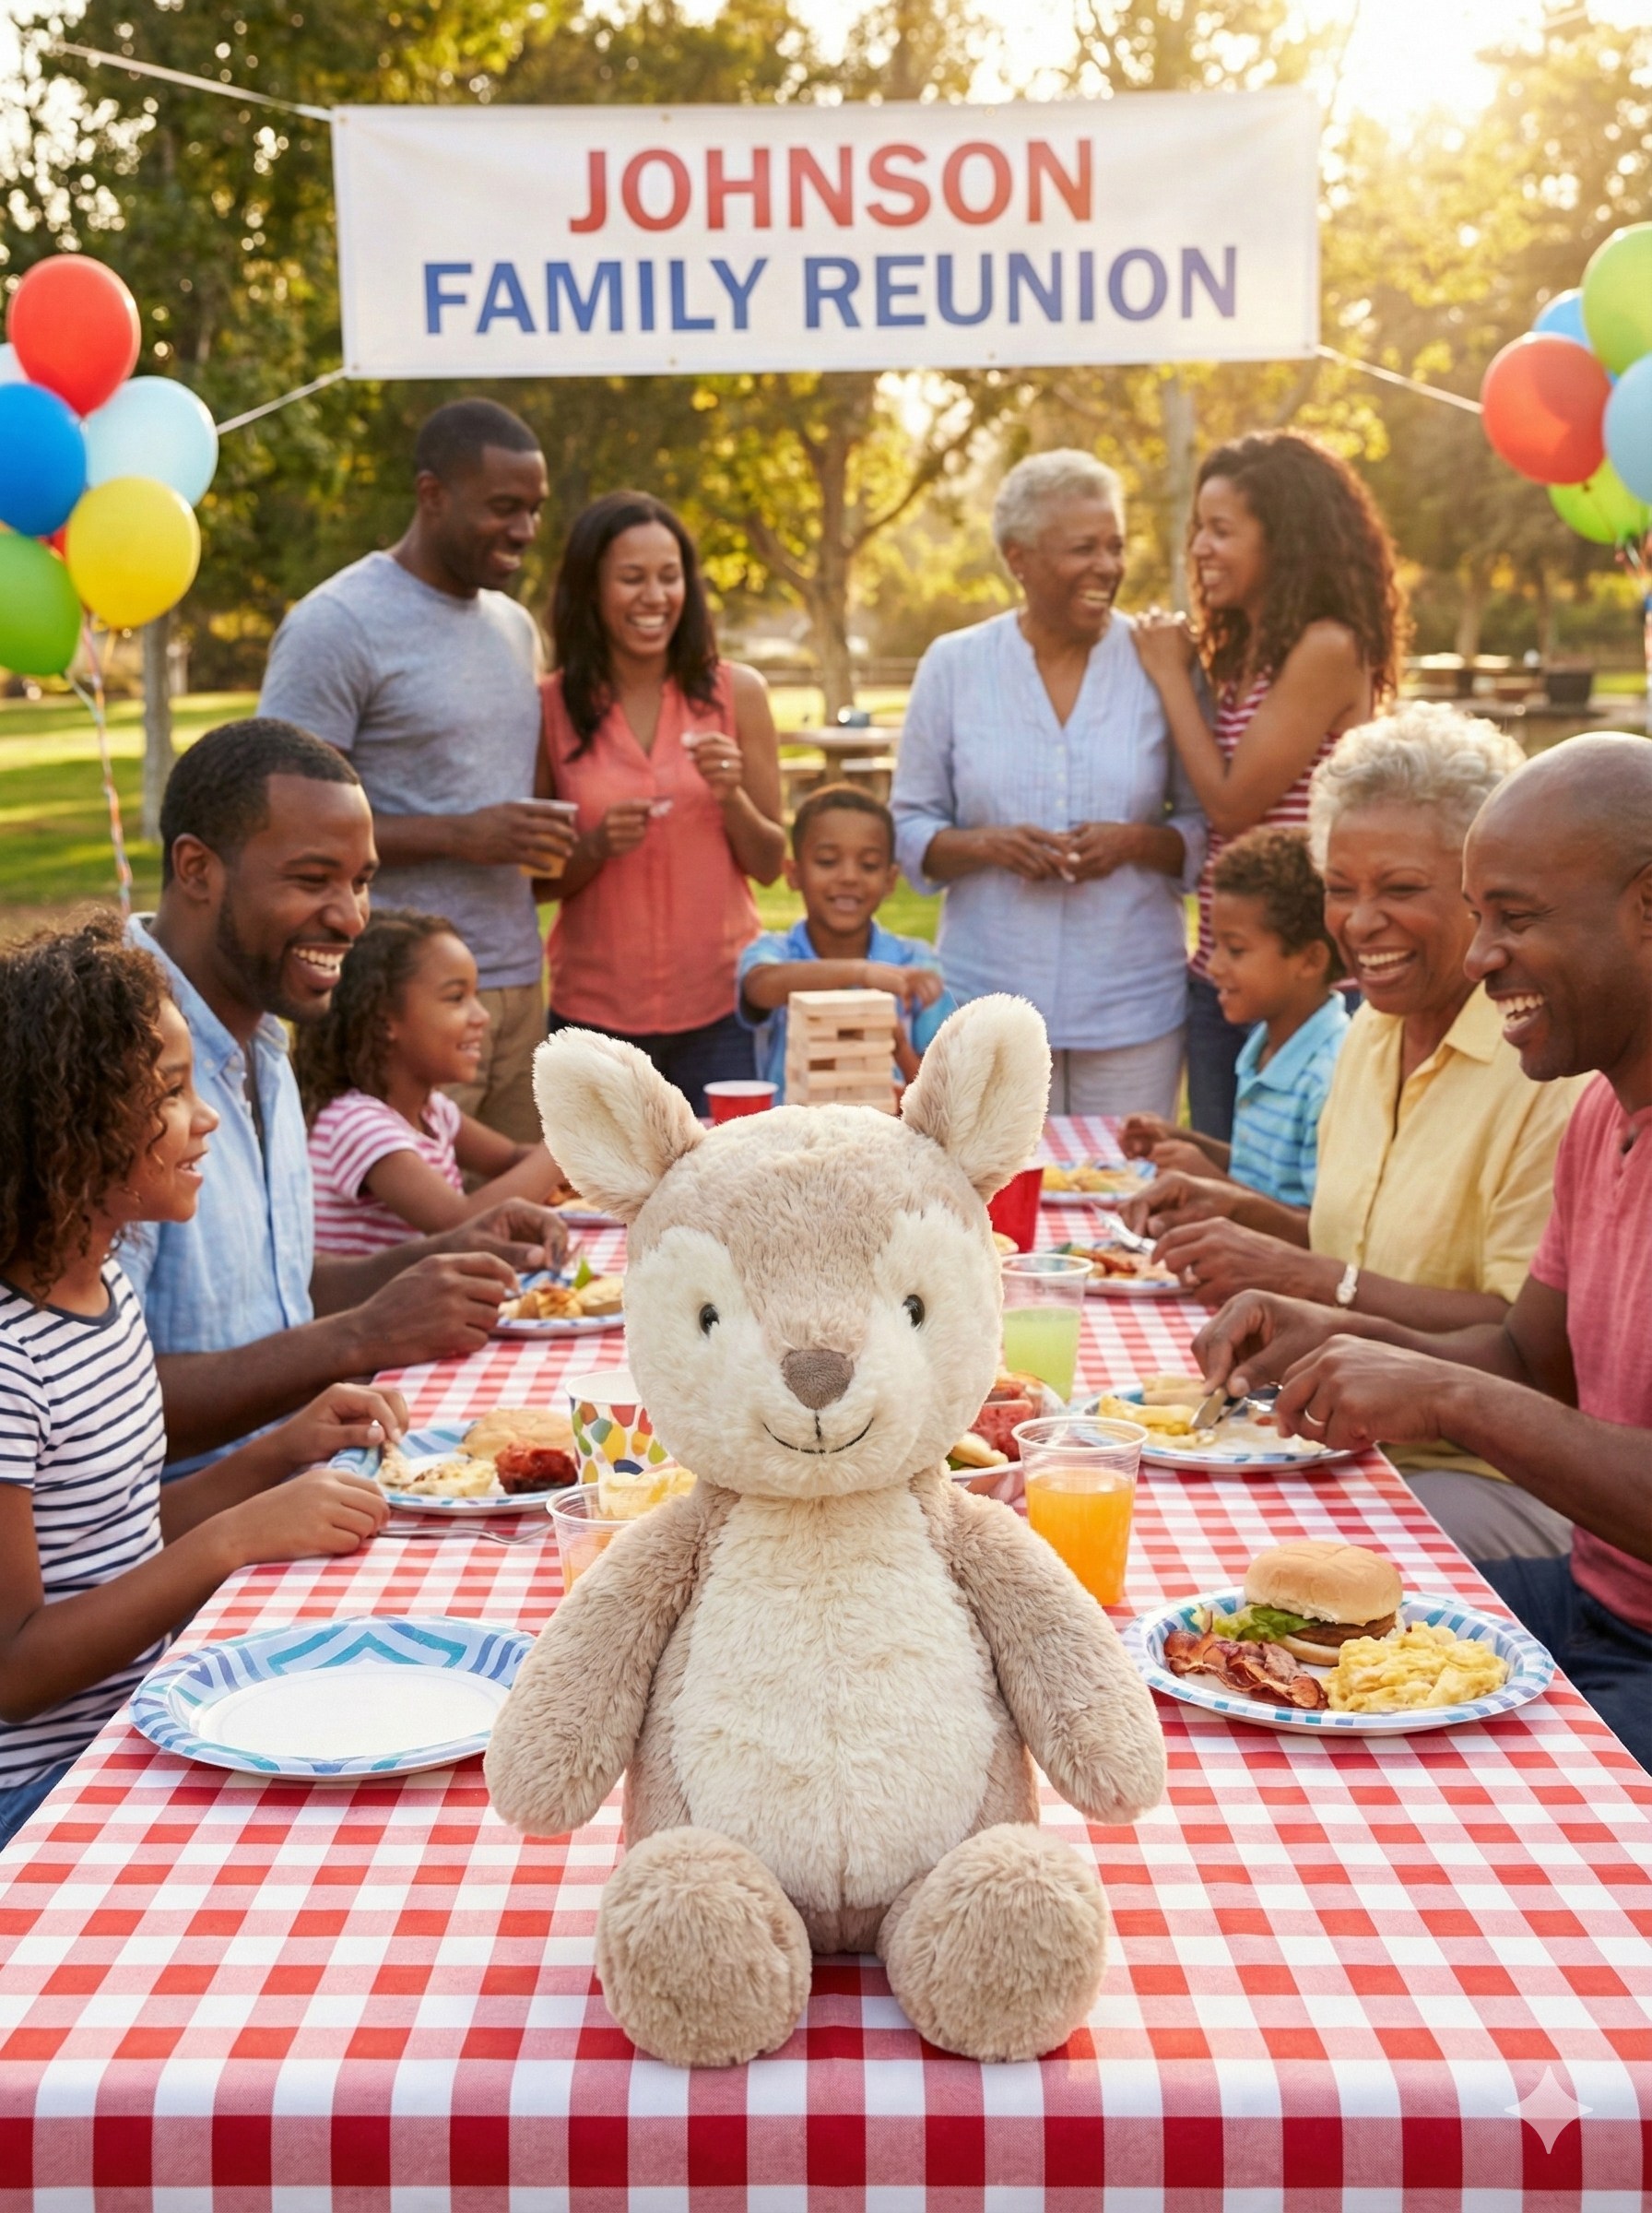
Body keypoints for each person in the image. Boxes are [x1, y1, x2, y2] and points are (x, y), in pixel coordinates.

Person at [1188, 735, 1652, 1769]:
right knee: (1223, 1641)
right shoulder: (1598, 1113)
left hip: (1629, 1639)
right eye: (1480, 917)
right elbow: (1533, 1359)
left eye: (1515, 919)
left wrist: (1442, 1396)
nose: (1483, 959)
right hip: (1590, 1592)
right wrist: (1347, 1332)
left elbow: (1500, 1394)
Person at [1149, 704, 1587, 1550]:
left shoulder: (1544, 1068)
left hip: (1477, 1473)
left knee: (1252, 1555)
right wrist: (1244, 1215)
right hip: (1344, 1434)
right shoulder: (1367, 1034)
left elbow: (1525, 1338)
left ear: (1483, 894)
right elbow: (1365, 1240)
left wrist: (1313, 1279)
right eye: (1340, 890)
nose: (1358, 921)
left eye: (1401, 889)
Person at [0, 917, 396, 1846]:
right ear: (70, 1118)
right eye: (171, 1092)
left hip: (133, 1727)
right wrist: (230, 1541)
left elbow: (119, 1533)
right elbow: (16, 1667)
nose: (205, 1117)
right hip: (40, 1796)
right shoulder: (10, 1359)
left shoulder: (107, 1296)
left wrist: (275, 1456)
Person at [124, 718, 567, 1471]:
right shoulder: (115, 1060)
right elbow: (97, 1402)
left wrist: (448, 1252)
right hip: (186, 1542)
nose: (351, 916)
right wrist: (364, 1336)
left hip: (311, 1476)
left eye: (361, 881)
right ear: (197, 869)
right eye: (311, 879)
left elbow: (277, 1290)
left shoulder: (263, 1040)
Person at [259, 398, 570, 1143]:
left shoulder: (513, 626)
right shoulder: (337, 624)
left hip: (517, 982)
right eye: (504, 507)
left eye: (533, 509)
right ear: (433, 494)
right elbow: (277, 822)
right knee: (408, 1247)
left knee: (526, 1227)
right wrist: (461, 836)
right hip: (390, 1002)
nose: (525, 531)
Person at [891, 451, 1205, 1119]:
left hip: (1133, 1003)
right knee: (987, 1202)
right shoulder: (955, 664)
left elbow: (1205, 823)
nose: (1108, 567)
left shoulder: (1162, 660)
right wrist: (986, 846)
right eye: (1082, 548)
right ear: (1019, 558)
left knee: (1122, 1193)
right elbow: (909, 824)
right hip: (988, 1000)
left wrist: (1137, 842)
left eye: (1116, 546)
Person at [1132, 432, 1407, 1139]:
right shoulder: (1248, 651)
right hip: (1224, 963)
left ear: (1283, 542)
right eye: (1199, 529)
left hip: (1302, 980)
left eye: (1221, 530)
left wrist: (1170, 675)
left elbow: (1232, 803)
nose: (1199, 548)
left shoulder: (1327, 646)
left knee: (1271, 1200)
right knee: (1221, 1179)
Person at [537, 490, 786, 1116]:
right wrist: (594, 848)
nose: (655, 596)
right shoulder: (548, 706)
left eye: (669, 576)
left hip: (721, 1015)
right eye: (631, 578)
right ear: (590, 589)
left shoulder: (738, 693)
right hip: (594, 1019)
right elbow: (534, 883)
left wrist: (730, 798)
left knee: (731, 1198)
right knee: (597, 1201)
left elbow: (769, 861)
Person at [296, 910, 566, 1256]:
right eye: (456, 998)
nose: (480, 1016)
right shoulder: (358, 1124)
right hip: (378, 1308)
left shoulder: (432, 1109)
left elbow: (513, 1158)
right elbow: (459, 1223)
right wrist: (564, 1145)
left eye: (475, 996)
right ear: (384, 1021)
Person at [1118, 826, 1349, 1217]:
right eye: (1216, 945)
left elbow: (1324, 1233)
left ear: (1310, 960)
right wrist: (1186, 1143)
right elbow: (1258, 1174)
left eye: (1236, 950)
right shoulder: (1266, 1045)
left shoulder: (1330, 1077)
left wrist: (1209, 1181)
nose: (1214, 966)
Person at [737, 784, 958, 1098]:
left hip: (887, 1138)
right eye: (827, 861)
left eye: (868, 865)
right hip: (790, 1136)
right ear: (794, 873)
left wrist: (893, 1043)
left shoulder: (915, 963)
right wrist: (860, 973)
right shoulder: (775, 952)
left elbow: (936, 1094)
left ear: (890, 880)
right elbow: (759, 987)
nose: (849, 877)